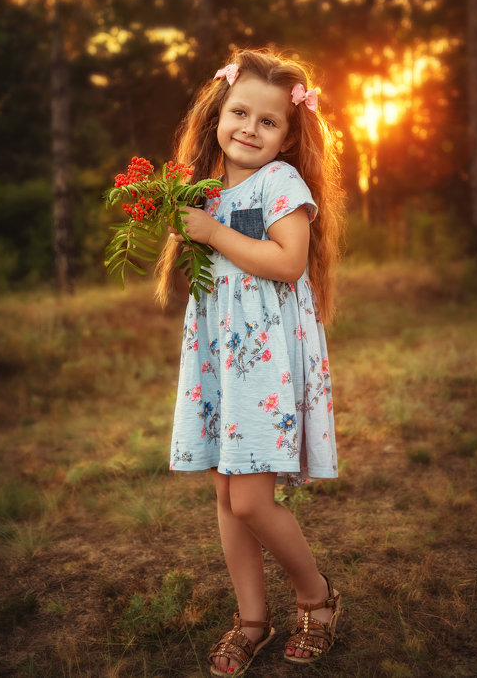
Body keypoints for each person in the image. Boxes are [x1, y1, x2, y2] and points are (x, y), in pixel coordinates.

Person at [157, 48, 344, 676]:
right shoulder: (203, 188)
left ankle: (317, 600)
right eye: (240, 113)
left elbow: (287, 262)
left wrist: (211, 234)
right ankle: (251, 620)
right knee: (223, 491)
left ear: (288, 137)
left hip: (264, 362)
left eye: (269, 122)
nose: (249, 129)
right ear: (218, 112)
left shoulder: (282, 185)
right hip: (218, 357)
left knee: (250, 502)